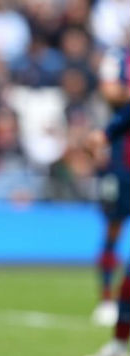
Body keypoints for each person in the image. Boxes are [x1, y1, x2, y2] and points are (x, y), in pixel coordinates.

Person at [80, 103, 130, 356]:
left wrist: (106, 133)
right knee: (112, 232)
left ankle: (118, 348)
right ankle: (117, 346)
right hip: (123, 171)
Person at [89, 47, 130, 327]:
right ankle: (105, 299)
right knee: (113, 226)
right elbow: (110, 92)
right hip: (120, 157)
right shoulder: (117, 57)